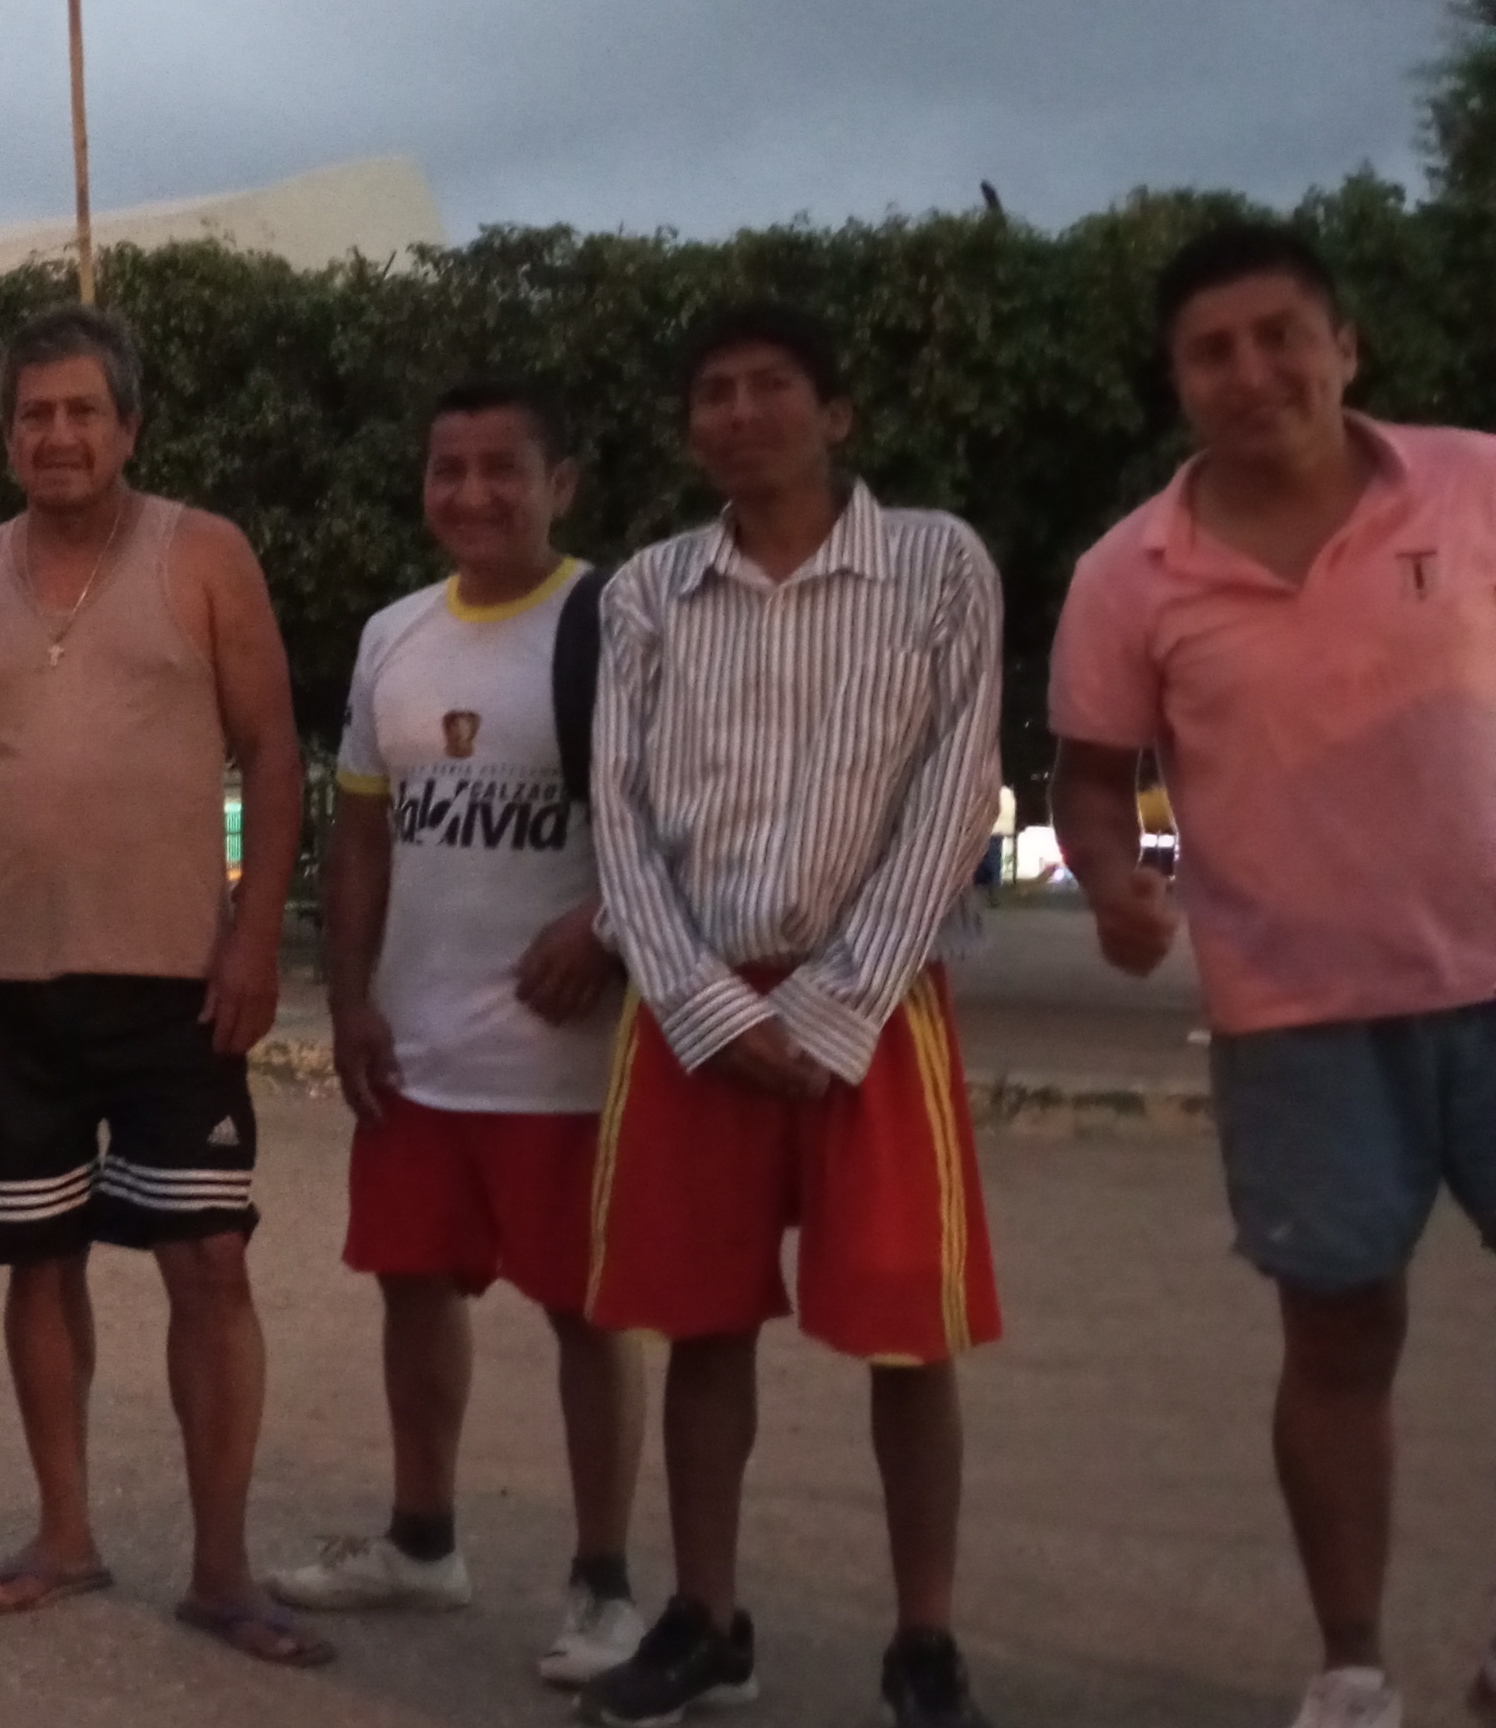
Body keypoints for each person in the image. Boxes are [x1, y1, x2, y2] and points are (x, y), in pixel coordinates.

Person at [1050, 223, 1496, 1728]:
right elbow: (1092, 777)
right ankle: (1352, 1666)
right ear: (1179, 382)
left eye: (1280, 336)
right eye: (1211, 352)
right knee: (1340, 1337)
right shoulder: (1129, 573)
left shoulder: (1477, 486)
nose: (1252, 372)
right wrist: (1113, 880)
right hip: (1298, 1021)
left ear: (1344, 347)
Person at [576, 303, 1002, 1728]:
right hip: (691, 1005)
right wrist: (701, 1001)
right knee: (700, 1324)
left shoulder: (938, 563)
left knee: (907, 1331)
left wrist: (835, 1004)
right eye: (714, 391)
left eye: (773, 386)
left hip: (874, 1003)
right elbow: (617, 813)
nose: (742, 412)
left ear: (838, 414)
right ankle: (706, 1620)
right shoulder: (649, 592)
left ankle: (924, 1641)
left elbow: (958, 794)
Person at [0, 304, 317, 1664]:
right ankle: (65, 1533)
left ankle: (222, 1567)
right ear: (4, 437)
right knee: (38, 1262)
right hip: (3, 977)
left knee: (208, 1260)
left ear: (129, 426)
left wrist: (252, 936)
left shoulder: (203, 556)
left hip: (175, 982)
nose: (59, 434)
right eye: (34, 414)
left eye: (84, 410)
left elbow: (273, 752)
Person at [267, 380, 647, 1688]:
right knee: (413, 1285)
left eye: (503, 469)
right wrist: (351, 998)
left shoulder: (617, 627)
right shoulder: (395, 636)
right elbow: (363, 834)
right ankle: (423, 1540)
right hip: (419, 1049)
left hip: (567, 1058)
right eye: (449, 470)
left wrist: (604, 926)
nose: (473, 494)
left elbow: (679, 817)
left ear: (562, 485)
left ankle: (607, 1584)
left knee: (587, 1313)